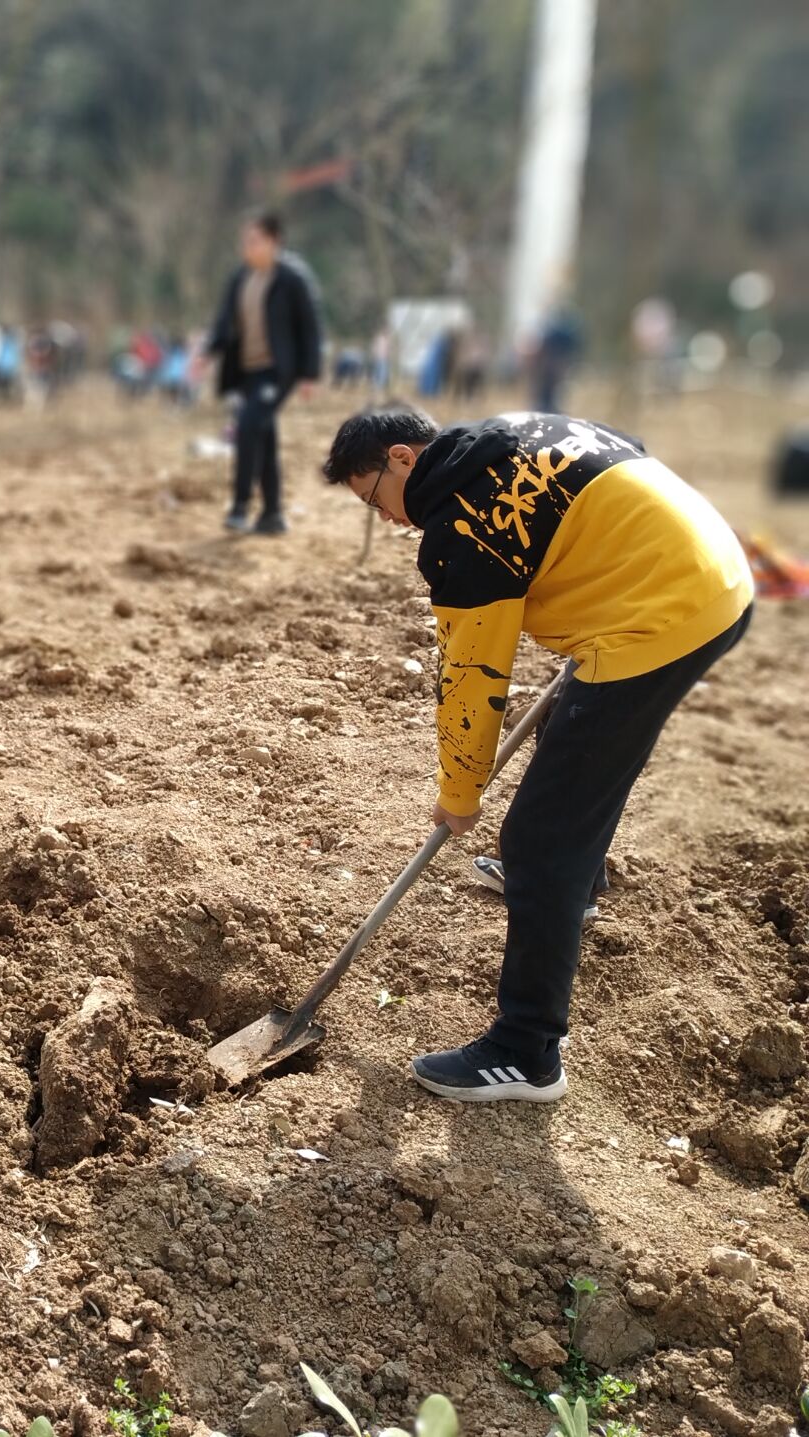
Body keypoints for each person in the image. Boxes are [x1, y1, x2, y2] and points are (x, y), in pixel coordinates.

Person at [321, 405, 755, 1103]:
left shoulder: (463, 526)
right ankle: (575, 888)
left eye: (375, 500)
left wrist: (459, 795)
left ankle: (526, 1051)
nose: (390, 519)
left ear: (402, 458)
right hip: (712, 568)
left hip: (660, 615)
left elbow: (472, 678)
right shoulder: (516, 427)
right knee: (574, 743)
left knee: (538, 840)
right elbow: (627, 450)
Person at [208, 211, 323, 535]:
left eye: (254, 241)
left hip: (277, 372)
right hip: (247, 372)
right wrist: (207, 352)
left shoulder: (292, 278)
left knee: (247, 427)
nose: (247, 247)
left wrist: (310, 374)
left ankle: (240, 506)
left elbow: (310, 326)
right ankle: (272, 515)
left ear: (274, 241)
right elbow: (225, 322)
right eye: (245, 241)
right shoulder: (241, 278)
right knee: (264, 435)